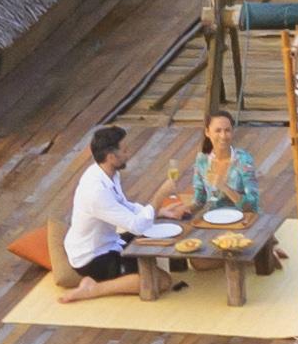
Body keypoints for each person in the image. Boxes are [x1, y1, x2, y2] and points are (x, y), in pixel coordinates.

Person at [60, 124, 184, 298]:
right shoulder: (96, 191)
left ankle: (133, 272)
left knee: (157, 231)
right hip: (93, 257)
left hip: (111, 242)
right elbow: (136, 226)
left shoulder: (107, 173)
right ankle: (93, 289)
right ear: (111, 157)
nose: (129, 153)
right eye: (125, 150)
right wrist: (160, 196)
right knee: (162, 281)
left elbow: (125, 206)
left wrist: (159, 212)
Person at [179, 109, 283, 273]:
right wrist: (185, 209)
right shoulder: (202, 161)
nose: (223, 135)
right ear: (207, 132)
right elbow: (199, 200)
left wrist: (224, 187)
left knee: (228, 249)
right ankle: (255, 256)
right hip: (214, 221)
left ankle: (257, 252)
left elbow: (252, 204)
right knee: (198, 263)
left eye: (227, 130)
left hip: (244, 220)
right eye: (218, 130)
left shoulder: (243, 160)